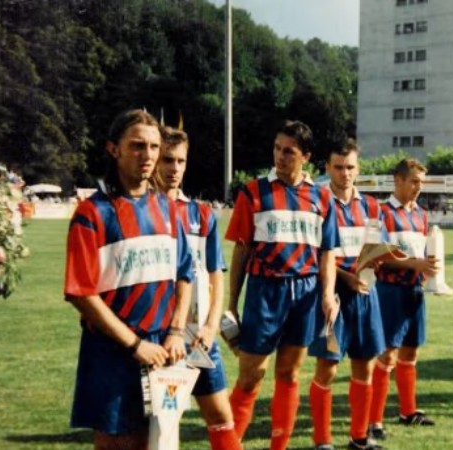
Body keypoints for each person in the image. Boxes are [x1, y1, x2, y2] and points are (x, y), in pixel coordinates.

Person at [63, 109, 194, 449]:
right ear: (113, 149)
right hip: (113, 352)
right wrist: (135, 345)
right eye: (137, 145)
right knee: (118, 444)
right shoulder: (92, 213)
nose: (147, 155)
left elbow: (185, 273)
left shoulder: (167, 208)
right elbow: (81, 293)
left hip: (162, 350)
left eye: (153, 146)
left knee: (160, 444)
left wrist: (176, 331)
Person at [225, 120, 340, 450]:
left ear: (306, 156)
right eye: (277, 149)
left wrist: (327, 294)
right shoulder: (254, 191)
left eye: (289, 151)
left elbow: (327, 252)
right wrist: (232, 302)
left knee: (289, 374)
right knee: (251, 375)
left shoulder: (322, 197)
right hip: (265, 291)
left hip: (304, 293)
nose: (280, 156)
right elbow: (241, 250)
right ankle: (228, 445)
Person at [157, 127, 241, 450]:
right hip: (160, 337)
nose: (174, 168)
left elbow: (215, 275)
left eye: (180, 161)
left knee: (221, 417)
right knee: (164, 424)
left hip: (198, 338)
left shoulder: (201, 214)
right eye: (168, 159)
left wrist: (210, 326)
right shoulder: (144, 211)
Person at [308, 139, 386, 450]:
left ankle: (359, 437)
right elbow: (314, 255)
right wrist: (345, 278)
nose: (345, 173)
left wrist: (378, 260)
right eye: (338, 167)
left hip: (366, 295)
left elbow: (377, 247)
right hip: (335, 297)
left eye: (350, 167)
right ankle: (322, 440)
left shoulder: (371, 206)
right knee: (328, 367)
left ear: (358, 168)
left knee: (365, 366)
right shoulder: (318, 203)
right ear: (327, 168)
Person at [368, 159, 439, 440]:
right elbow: (378, 255)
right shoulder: (382, 212)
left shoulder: (421, 214)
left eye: (421, 182)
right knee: (387, 355)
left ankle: (408, 411)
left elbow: (422, 255)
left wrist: (431, 272)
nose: (418, 187)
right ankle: (374, 421)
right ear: (397, 181)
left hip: (415, 291)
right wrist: (415, 264)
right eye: (414, 181)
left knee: (410, 353)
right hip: (390, 291)